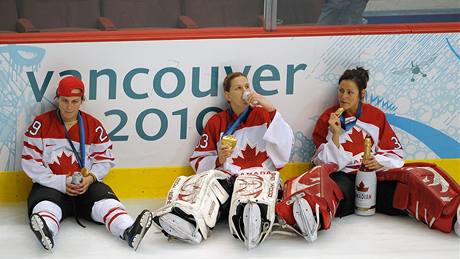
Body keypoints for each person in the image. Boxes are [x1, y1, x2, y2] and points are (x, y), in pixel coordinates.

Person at [276, 67, 459, 240]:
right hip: (343, 175)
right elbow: (324, 164)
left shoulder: (375, 116)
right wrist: (336, 135)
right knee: (331, 188)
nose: (343, 96)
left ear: (362, 94)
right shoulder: (328, 118)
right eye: (341, 91)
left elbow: (395, 153)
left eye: (349, 92)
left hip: (373, 176)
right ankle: (312, 218)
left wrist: (379, 162)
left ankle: (452, 213)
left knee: (411, 179)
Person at [153, 72, 294, 248]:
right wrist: (218, 159)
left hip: (260, 181)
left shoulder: (265, 116)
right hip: (230, 184)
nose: (245, 91)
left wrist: (272, 110)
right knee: (209, 183)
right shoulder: (216, 122)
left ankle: (254, 218)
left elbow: (286, 146)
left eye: (247, 86)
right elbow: (198, 159)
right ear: (228, 95)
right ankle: (188, 222)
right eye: (238, 88)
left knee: (253, 192)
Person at [21, 76, 153, 251]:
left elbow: (104, 159)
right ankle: (47, 231)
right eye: (64, 100)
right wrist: (60, 182)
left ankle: (128, 230)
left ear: (82, 100)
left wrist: (90, 178)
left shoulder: (93, 126)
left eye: (74, 101)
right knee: (45, 203)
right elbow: (30, 162)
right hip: (51, 186)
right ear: (57, 99)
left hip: (85, 187)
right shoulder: (41, 124)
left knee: (105, 200)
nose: (69, 106)